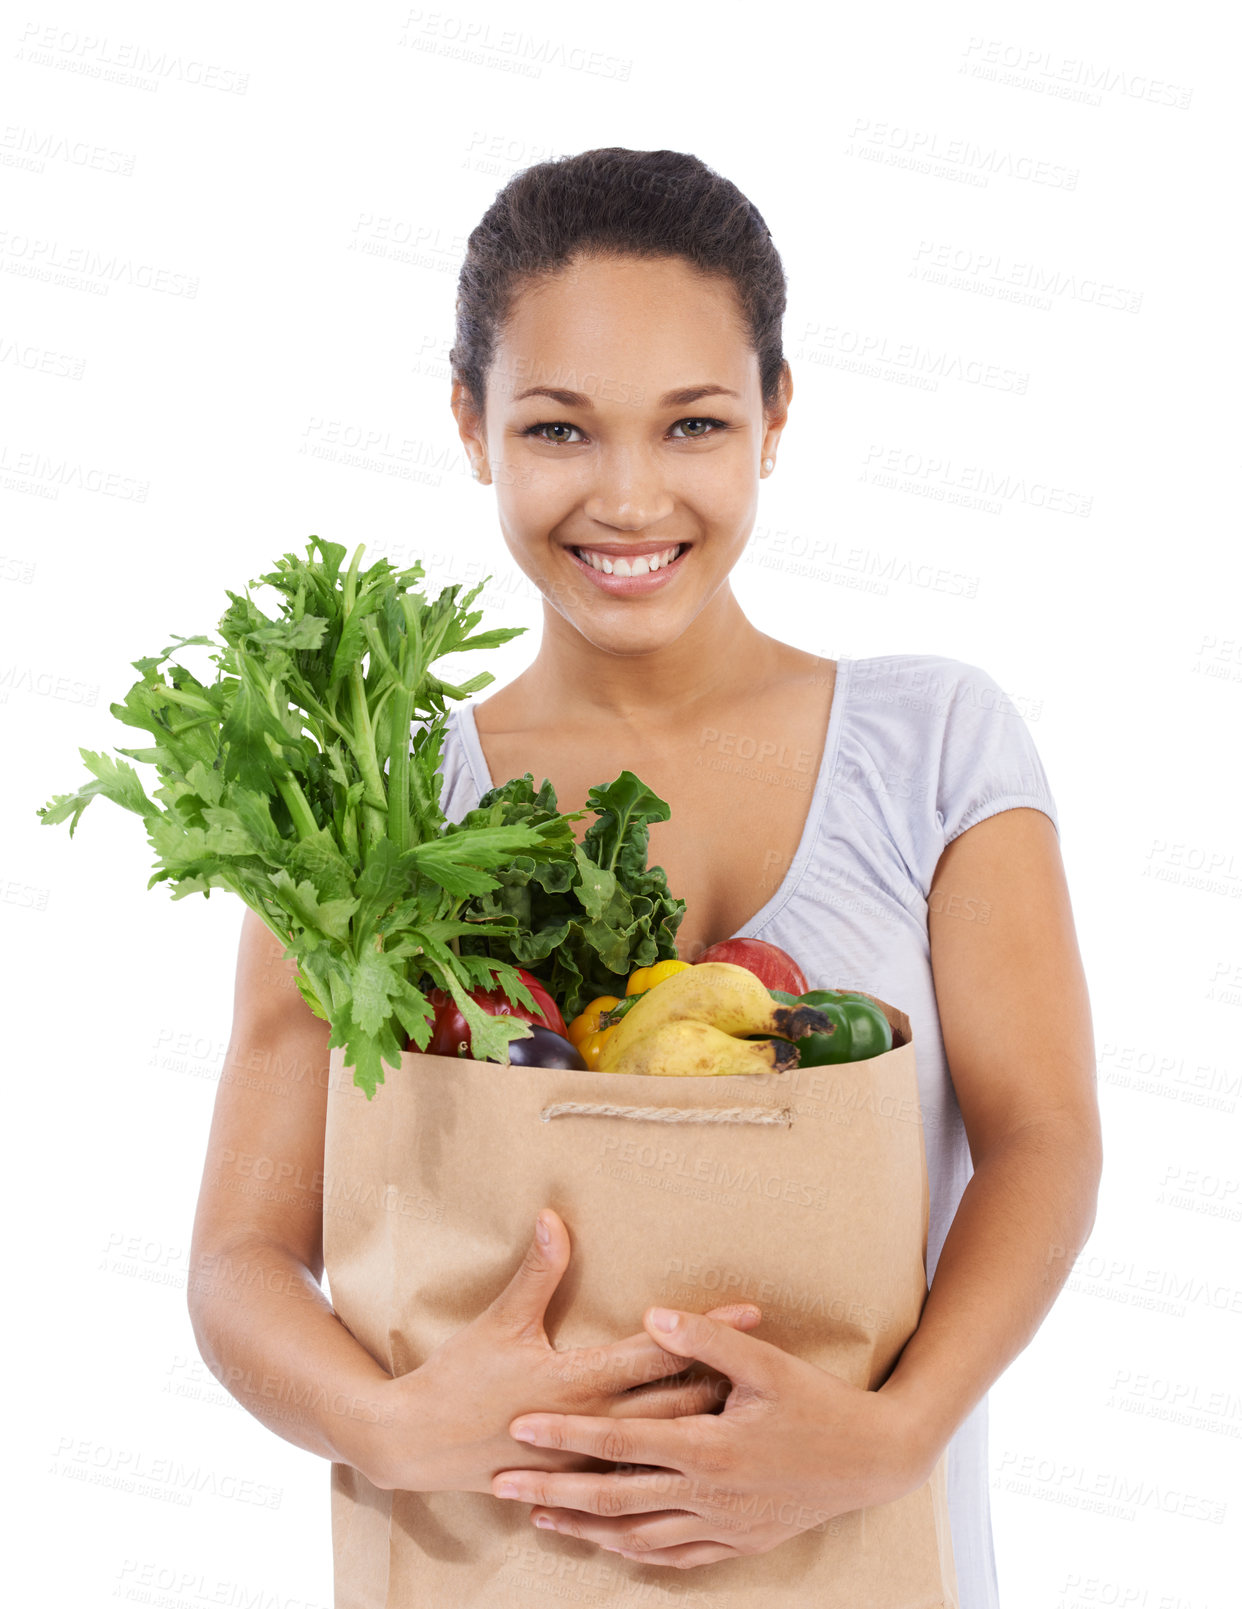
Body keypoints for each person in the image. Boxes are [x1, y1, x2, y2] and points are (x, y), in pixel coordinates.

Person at [189, 148, 1101, 1606]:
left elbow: (1043, 1136)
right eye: (558, 428)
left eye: (691, 424)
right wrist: (393, 1423)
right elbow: (238, 1255)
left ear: (774, 418)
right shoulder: (373, 799)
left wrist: (889, 1437)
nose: (627, 498)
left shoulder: (933, 744)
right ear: (469, 424)